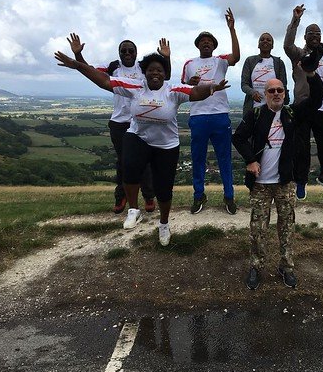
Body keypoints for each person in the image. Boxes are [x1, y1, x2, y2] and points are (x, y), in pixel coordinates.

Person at [55, 42, 228, 245]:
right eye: (151, 70)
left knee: (164, 190)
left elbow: (196, 92)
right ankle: (133, 210)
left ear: (165, 74)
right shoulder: (136, 87)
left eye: (160, 70)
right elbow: (103, 80)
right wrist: (78, 65)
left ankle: (164, 224)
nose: (155, 73)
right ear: (144, 72)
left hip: (166, 145)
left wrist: (212, 88)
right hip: (139, 137)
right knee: (129, 166)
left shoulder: (173, 90)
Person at [232, 48, 323, 290]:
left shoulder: (292, 112)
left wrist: (312, 74)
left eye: (280, 90)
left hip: (285, 182)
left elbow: (316, 100)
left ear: (285, 93)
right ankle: (255, 266)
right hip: (261, 184)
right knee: (258, 229)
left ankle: (287, 266)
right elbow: (238, 138)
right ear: (265, 94)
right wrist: (251, 160)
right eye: (271, 90)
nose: (276, 93)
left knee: (286, 228)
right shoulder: (255, 114)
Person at [67, 34, 156, 214]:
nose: (127, 53)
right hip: (119, 122)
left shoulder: (142, 68)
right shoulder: (113, 67)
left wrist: (167, 58)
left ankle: (148, 196)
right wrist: (78, 57)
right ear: (119, 53)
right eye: (123, 51)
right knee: (123, 162)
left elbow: (161, 77)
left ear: (136, 52)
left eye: (131, 50)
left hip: (141, 121)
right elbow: (90, 71)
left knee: (145, 160)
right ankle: (121, 196)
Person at [182, 8, 240, 215]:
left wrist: (232, 29)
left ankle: (229, 196)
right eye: (202, 41)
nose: (206, 43)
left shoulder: (220, 60)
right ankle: (199, 196)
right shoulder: (189, 64)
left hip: (219, 114)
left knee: (225, 158)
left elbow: (237, 56)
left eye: (210, 41)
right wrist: (190, 83)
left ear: (214, 46)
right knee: (198, 158)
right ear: (197, 45)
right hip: (198, 116)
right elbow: (184, 87)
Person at [283, 4, 323, 199]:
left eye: (318, 34)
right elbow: (287, 45)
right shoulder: (299, 54)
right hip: (303, 107)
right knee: (302, 147)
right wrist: (295, 20)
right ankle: (301, 181)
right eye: (311, 34)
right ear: (305, 37)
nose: (315, 36)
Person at [240, 32, 289, 118]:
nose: (265, 41)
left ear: (272, 46)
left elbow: (283, 85)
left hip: (275, 108)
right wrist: (252, 92)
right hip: (254, 108)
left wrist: (285, 102)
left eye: (268, 40)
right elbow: (244, 84)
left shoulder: (279, 63)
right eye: (262, 40)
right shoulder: (250, 61)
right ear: (258, 45)